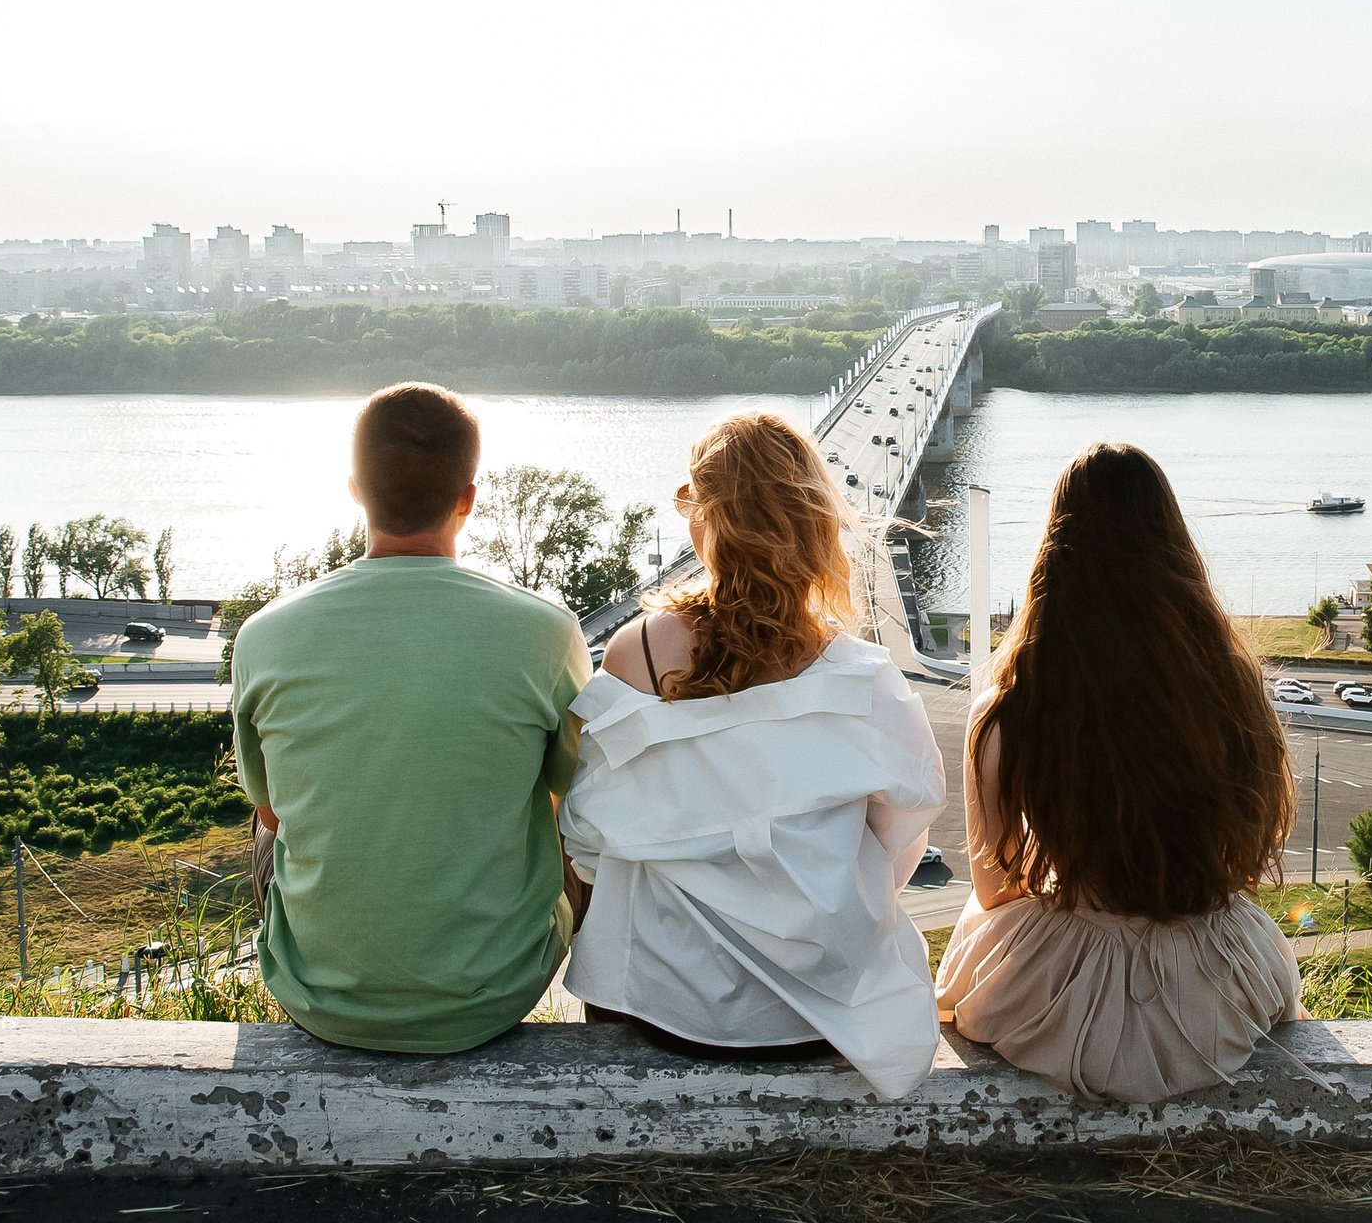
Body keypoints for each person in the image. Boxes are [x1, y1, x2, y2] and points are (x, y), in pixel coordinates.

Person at [560, 411, 946, 1099]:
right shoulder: (865, 678)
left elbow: (587, 836)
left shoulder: (635, 653)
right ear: (809, 522)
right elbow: (901, 838)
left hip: (661, 1006)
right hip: (815, 1015)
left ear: (707, 520)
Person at [934, 441, 1301, 1102]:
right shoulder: (1229, 684)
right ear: (1173, 544)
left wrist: (1070, 873)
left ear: (1055, 551)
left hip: (1067, 989)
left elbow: (994, 889)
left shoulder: (1009, 704)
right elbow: (1243, 853)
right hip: (1208, 980)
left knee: (972, 927)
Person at [231, 381, 588, 1053]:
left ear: (356, 489)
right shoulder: (546, 632)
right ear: (468, 499)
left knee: (265, 815)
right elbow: (580, 798)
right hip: (497, 993)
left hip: (319, 999)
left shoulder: (264, 635)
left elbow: (274, 815)